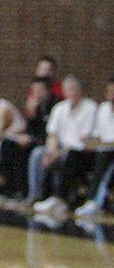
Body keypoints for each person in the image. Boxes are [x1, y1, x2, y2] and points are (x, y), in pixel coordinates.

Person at [30, 76, 98, 215]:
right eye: (69, 90)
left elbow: (84, 140)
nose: (72, 93)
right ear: (64, 92)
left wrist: (59, 153)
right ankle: (35, 195)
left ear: (81, 91)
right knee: (38, 154)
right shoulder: (59, 108)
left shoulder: (90, 107)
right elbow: (52, 134)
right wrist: (51, 151)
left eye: (75, 89)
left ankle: (60, 198)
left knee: (70, 155)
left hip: (81, 152)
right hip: (60, 148)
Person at [0, 78, 55, 198]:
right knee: (7, 144)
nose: (37, 94)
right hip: (35, 139)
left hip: (48, 143)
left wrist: (33, 139)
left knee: (28, 152)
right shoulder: (38, 107)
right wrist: (31, 117)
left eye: (40, 91)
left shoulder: (55, 106)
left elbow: (51, 132)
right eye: (34, 91)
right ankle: (10, 189)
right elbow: (30, 129)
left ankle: (28, 193)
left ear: (48, 91)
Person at [73, 77, 114, 217]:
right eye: (110, 92)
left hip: (109, 154)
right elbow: (98, 136)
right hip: (101, 151)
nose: (111, 95)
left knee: (105, 157)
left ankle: (95, 201)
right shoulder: (103, 109)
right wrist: (88, 141)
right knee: (77, 154)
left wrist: (104, 143)